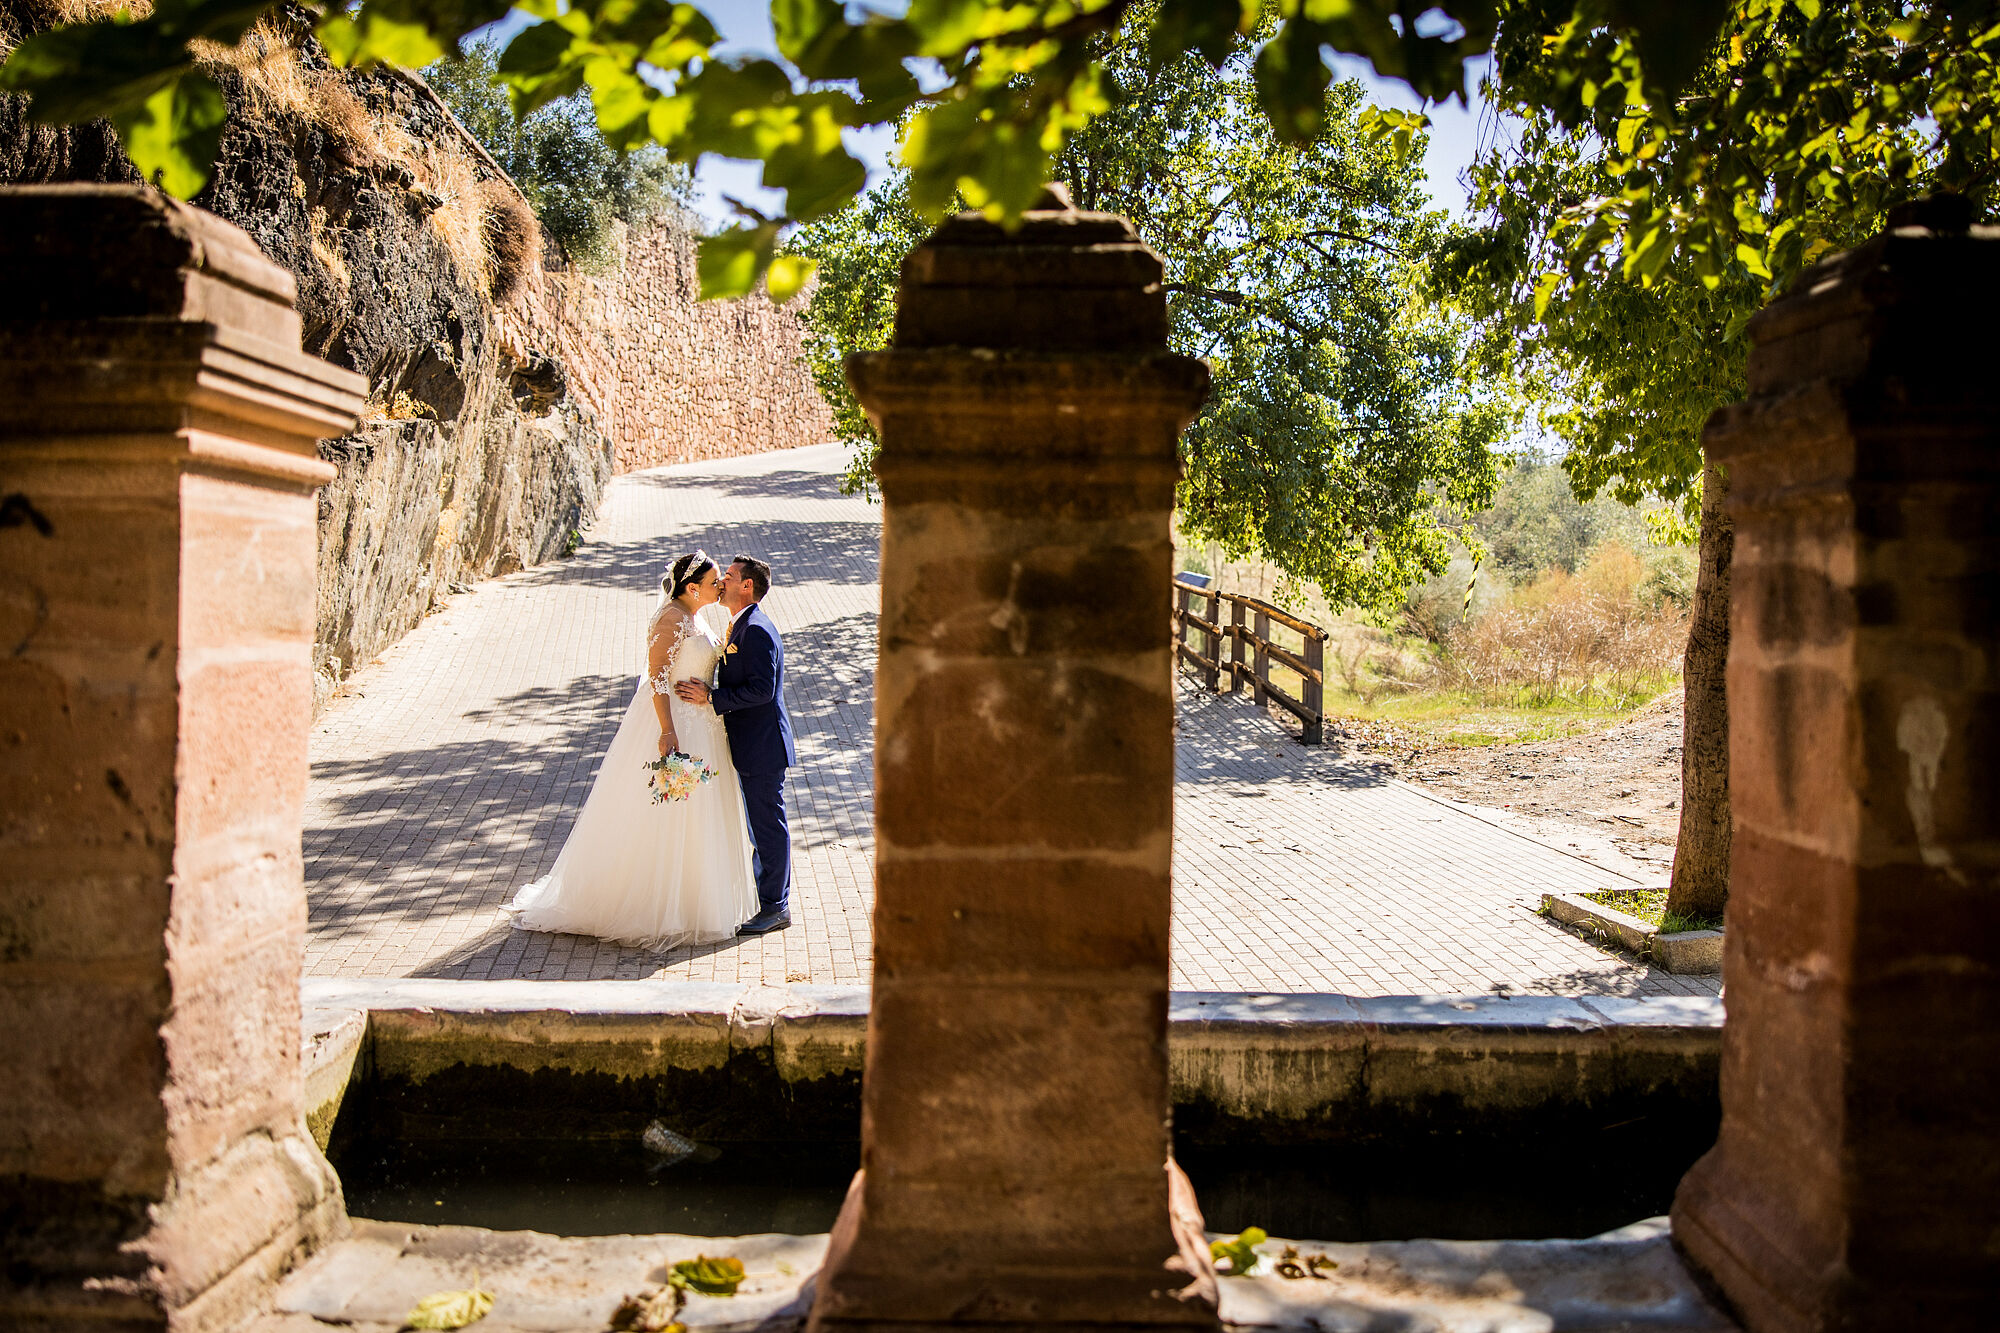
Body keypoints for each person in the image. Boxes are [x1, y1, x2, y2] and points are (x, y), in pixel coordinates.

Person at [504, 552, 758, 947]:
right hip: (676, 725)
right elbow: (657, 680)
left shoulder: (696, 615)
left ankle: (696, 901)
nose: (719, 586)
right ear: (693, 588)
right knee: (665, 813)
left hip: (705, 727)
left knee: (699, 813)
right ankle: (653, 904)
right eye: (713, 583)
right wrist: (668, 730)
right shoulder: (670, 619)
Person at [675, 555, 796, 934]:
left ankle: (776, 906)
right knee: (760, 827)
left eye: (728, 576)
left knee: (767, 828)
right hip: (751, 744)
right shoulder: (739, 626)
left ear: (747, 586)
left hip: (763, 746)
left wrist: (711, 698)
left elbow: (763, 690)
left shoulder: (756, 630)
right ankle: (768, 901)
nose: (722, 582)